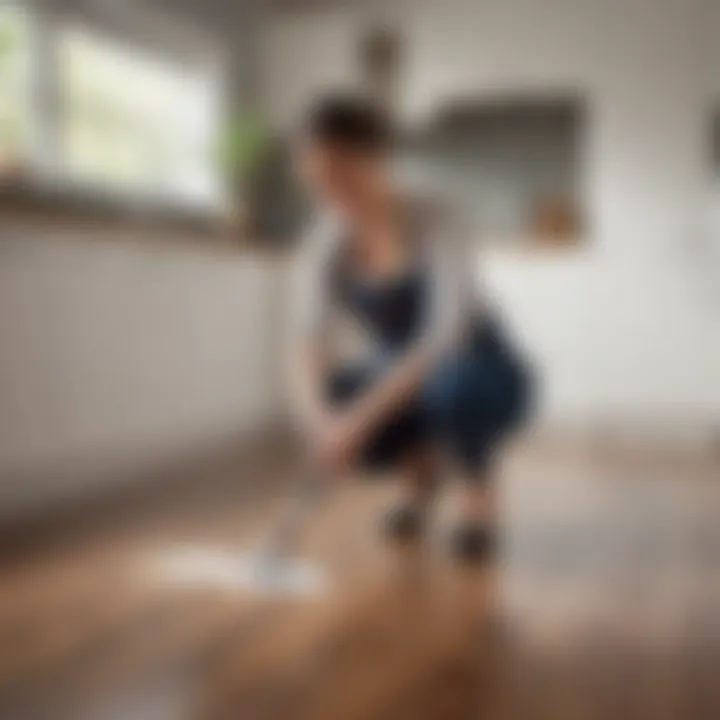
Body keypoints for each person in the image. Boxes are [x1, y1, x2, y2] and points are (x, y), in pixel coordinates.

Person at [288, 93, 533, 561]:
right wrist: (320, 420)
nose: (330, 188)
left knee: (453, 389)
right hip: (400, 364)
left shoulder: (439, 216)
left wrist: (358, 420)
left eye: (342, 171)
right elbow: (307, 343)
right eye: (317, 176)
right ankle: (420, 485)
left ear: (377, 159)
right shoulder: (323, 247)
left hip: (480, 363)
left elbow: (444, 337)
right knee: (340, 395)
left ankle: (479, 503)